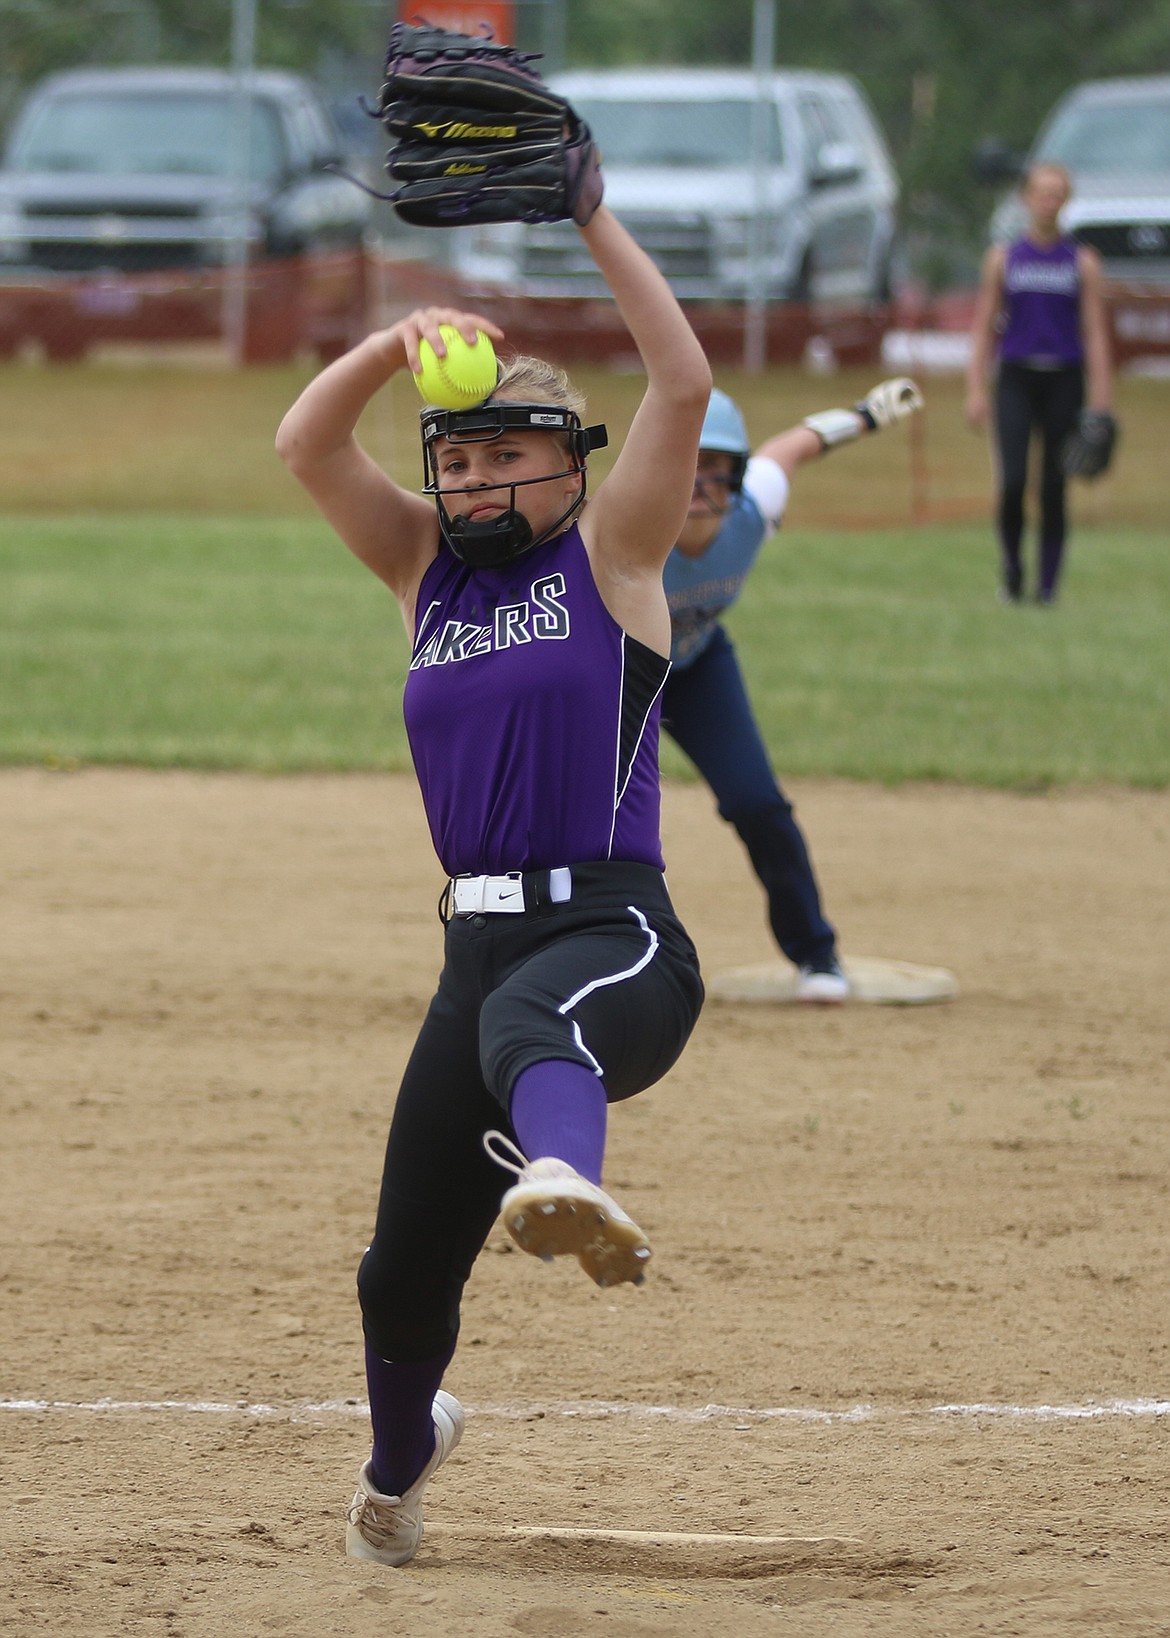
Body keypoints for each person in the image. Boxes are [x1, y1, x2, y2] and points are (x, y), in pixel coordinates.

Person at [275, 199, 711, 1568]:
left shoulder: (610, 554)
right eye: (453, 459)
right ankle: (402, 1466)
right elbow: (305, 441)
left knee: (539, 1028)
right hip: (471, 951)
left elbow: (683, 379)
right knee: (397, 1270)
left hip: (612, 932)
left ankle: (566, 1178)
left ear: (567, 468)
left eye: (499, 457)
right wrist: (396, 341)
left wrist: (587, 214)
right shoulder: (421, 572)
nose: (468, 481)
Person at [660, 377, 924, 1003]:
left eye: (714, 466)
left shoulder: (753, 511)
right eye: (683, 463)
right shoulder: (622, 527)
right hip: (609, 684)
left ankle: (816, 955)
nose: (698, 483)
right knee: (591, 822)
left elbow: (796, 446)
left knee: (759, 806)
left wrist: (866, 415)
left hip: (696, 667)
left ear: (736, 473)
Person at [966, 161, 1113, 605]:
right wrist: (975, 389)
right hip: (1016, 376)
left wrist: (1102, 404)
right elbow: (984, 327)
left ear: (1065, 200)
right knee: (1012, 482)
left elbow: (1095, 332)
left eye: (1056, 193)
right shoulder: (1005, 258)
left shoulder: (1082, 262)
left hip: (1064, 379)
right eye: (1040, 192)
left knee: (1053, 486)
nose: (1048, 201)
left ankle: (1047, 589)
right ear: (1026, 199)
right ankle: (1012, 571)